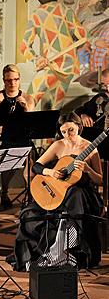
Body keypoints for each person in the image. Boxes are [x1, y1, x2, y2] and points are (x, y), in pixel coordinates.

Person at [13, 112, 103, 271]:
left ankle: (63, 252)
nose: (67, 135)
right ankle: (34, 256)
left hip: (82, 197)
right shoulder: (58, 145)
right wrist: (50, 172)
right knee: (29, 213)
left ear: (79, 127)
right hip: (57, 192)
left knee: (75, 195)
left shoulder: (90, 148)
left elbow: (100, 179)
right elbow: (37, 166)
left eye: (71, 130)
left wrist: (88, 170)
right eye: (63, 132)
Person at [20, 0, 88, 109]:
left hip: (51, 65)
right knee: (55, 107)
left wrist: (37, 59)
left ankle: (18, 127)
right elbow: (82, 35)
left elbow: (24, 47)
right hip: (69, 66)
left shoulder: (36, 14)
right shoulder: (66, 10)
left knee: (28, 102)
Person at [0, 64, 35, 208]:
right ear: (4, 81)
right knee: (7, 160)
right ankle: (4, 192)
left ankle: (31, 193)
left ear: (19, 80)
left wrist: (25, 108)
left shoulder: (26, 98)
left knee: (31, 160)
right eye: (9, 80)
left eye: (15, 79)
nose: (12, 83)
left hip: (22, 138)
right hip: (5, 139)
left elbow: (31, 119)